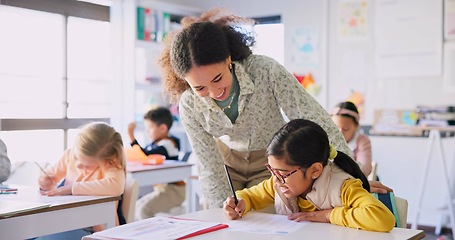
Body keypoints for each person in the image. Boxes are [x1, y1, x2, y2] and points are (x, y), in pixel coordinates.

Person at [156, 8, 353, 209]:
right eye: (200, 87)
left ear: (228, 59)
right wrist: (221, 212)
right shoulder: (189, 104)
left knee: (267, 223)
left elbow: (314, 118)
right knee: (226, 217)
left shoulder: (265, 71)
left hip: (273, 163)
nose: (215, 92)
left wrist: (352, 176)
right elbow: (209, 166)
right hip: (227, 166)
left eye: (217, 79)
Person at [223, 119, 395, 232]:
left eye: (283, 173)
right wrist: (239, 202)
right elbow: (249, 196)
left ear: (315, 170)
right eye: (272, 170)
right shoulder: (278, 183)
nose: (276, 179)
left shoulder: (342, 187)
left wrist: (327, 215)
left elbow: (383, 219)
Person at [37, 122, 126, 239]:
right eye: (76, 157)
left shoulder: (110, 165)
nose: (78, 165)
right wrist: (45, 180)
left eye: (87, 166)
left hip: (92, 230)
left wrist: (72, 188)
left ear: (108, 160)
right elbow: (52, 175)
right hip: (66, 221)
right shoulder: (69, 155)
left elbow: (116, 186)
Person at [128, 107, 185, 220]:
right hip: (162, 189)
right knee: (135, 206)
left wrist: (131, 135)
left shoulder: (168, 144)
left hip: (174, 191)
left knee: (144, 210)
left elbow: (144, 155)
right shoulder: (156, 144)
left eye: (149, 128)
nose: (147, 132)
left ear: (163, 128)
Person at [330, 101, 372, 177]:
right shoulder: (327, 139)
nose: (340, 132)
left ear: (356, 126)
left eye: (345, 129)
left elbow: (365, 169)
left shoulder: (362, 141)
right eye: (335, 128)